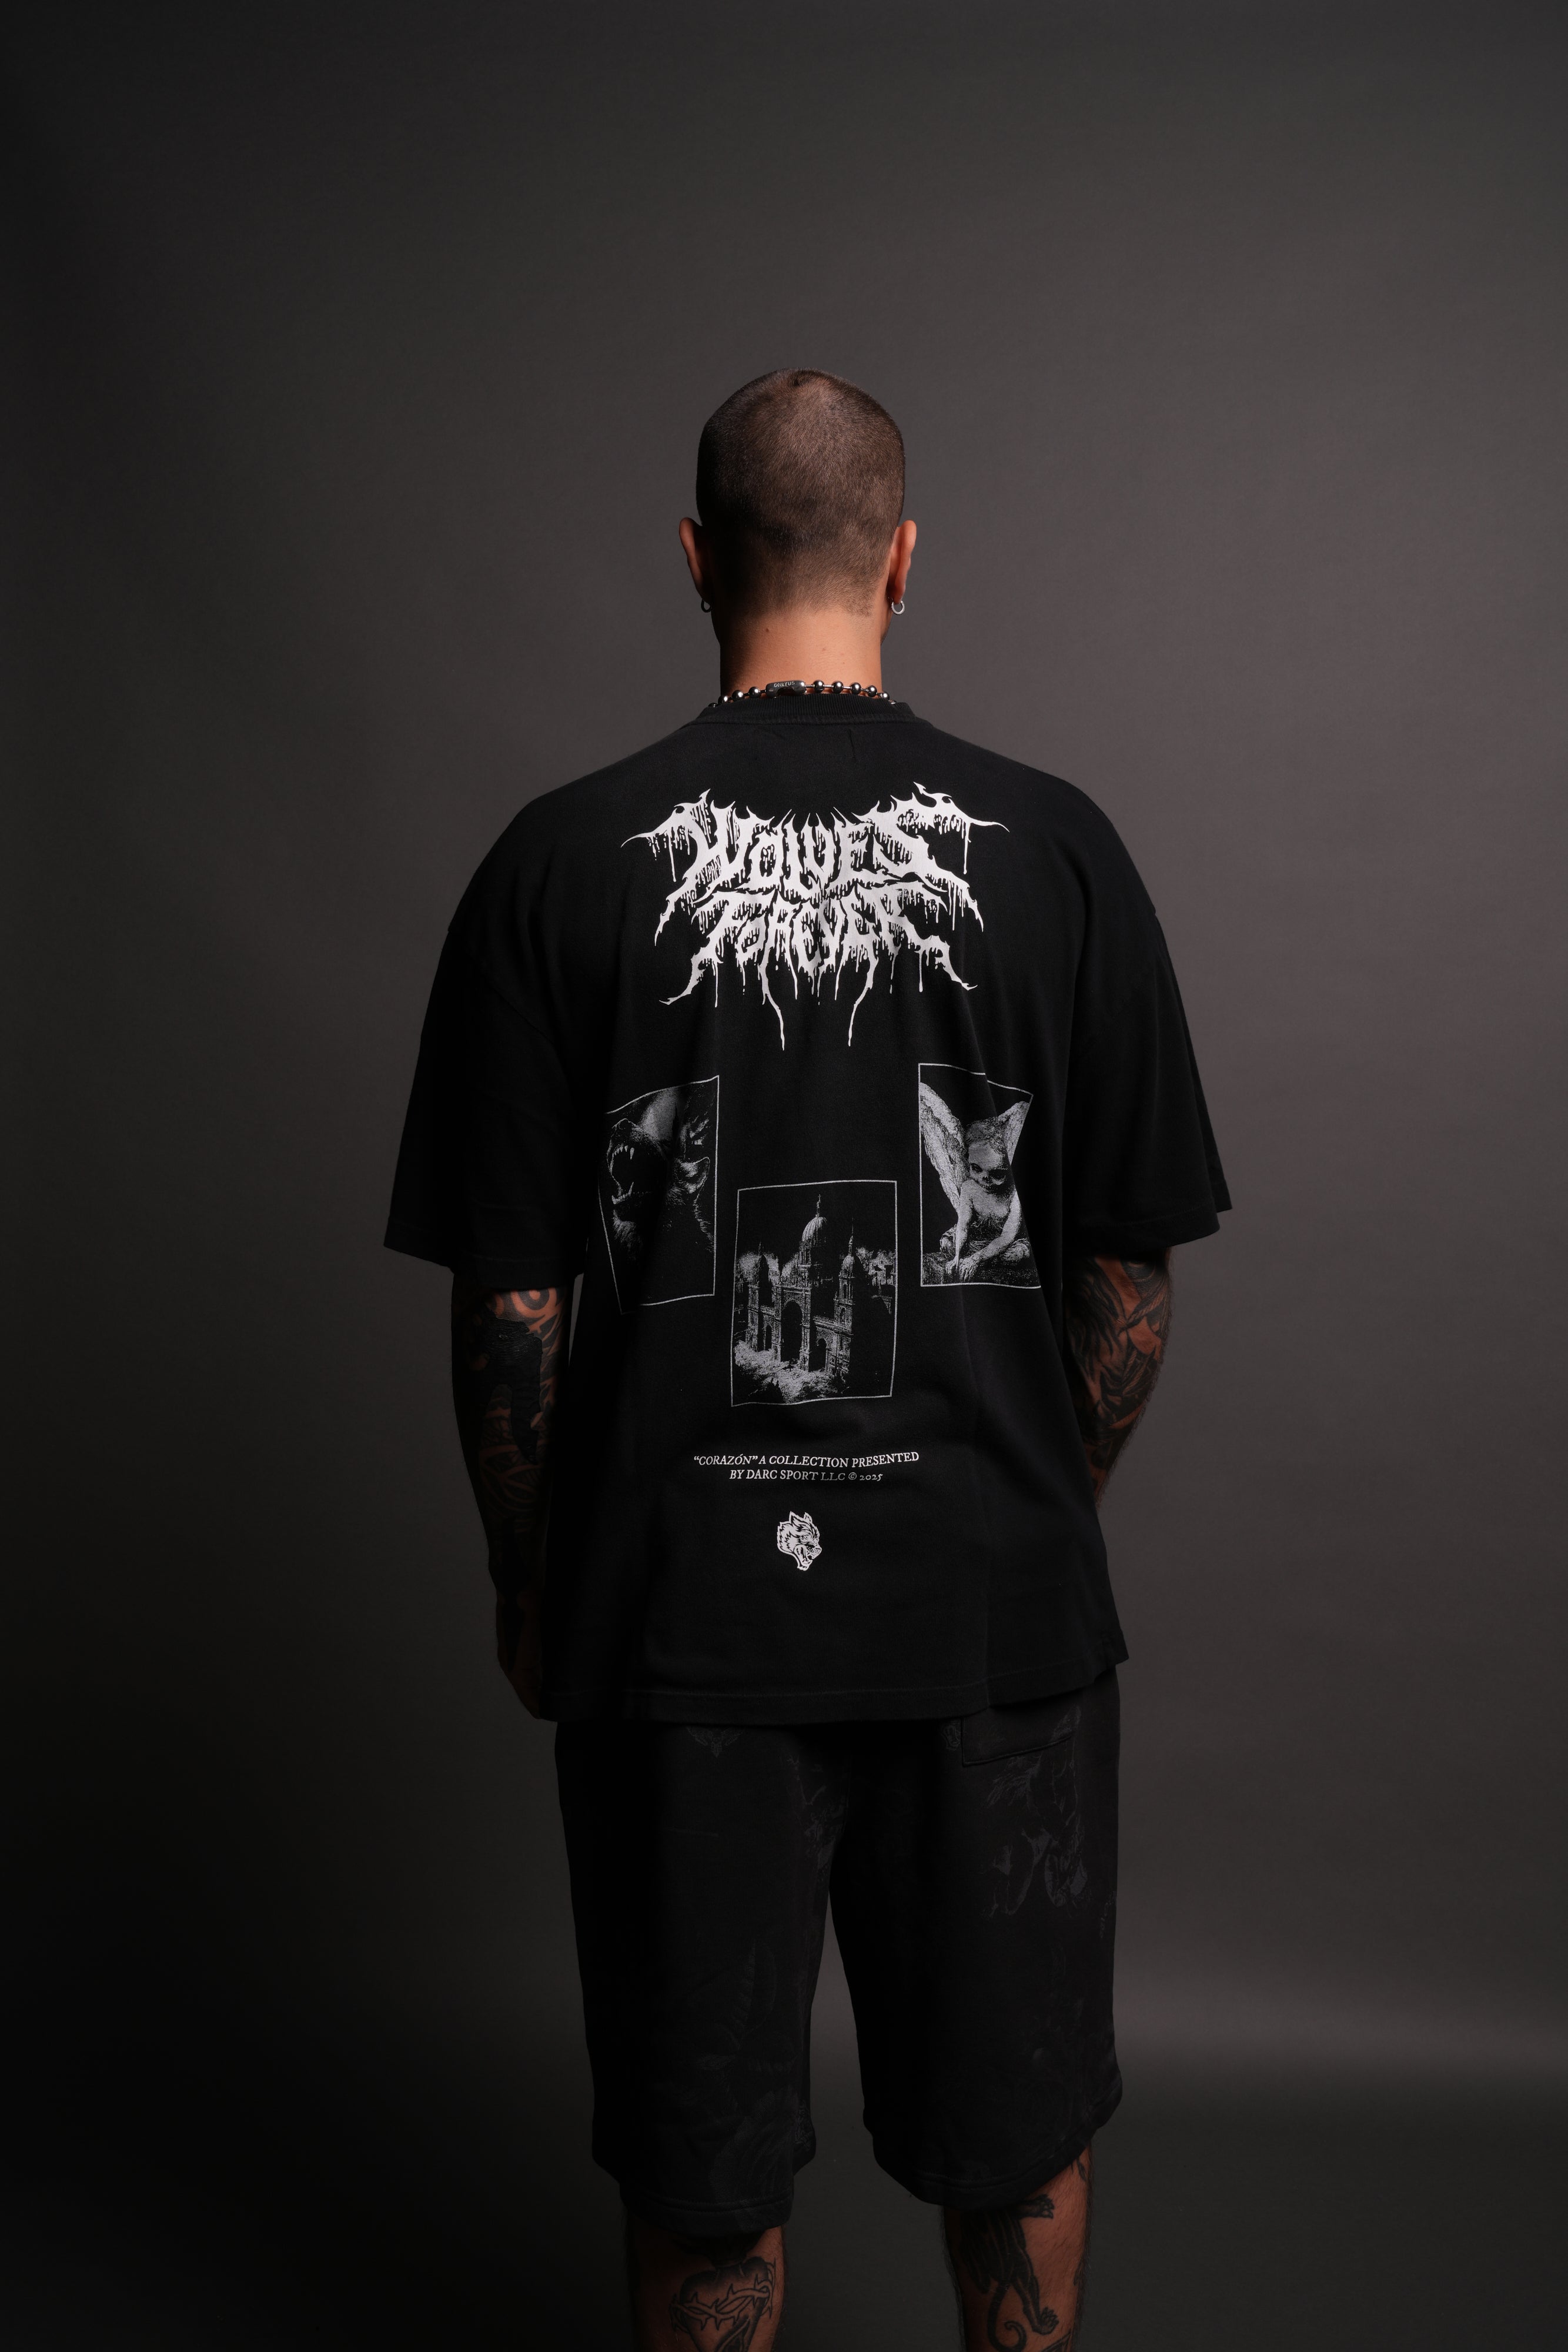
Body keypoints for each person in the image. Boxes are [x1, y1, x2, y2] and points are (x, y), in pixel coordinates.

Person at [386, 368, 1228, 2350]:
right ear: (902, 560)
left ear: (694, 559)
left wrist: (534, 1582)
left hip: (677, 1625)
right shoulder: (1060, 851)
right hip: (990, 1608)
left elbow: (511, 1310)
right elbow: (1123, 1272)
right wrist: (1036, 1495)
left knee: (706, 2189)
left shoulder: (554, 862)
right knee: (1017, 2153)